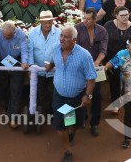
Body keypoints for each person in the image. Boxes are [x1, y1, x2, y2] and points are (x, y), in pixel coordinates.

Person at [44, 25, 96, 162]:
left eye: (66, 37)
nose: (62, 39)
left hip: (77, 97)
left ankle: (71, 132)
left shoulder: (84, 55)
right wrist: (50, 66)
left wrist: (88, 96)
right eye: (61, 36)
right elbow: (54, 60)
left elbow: (91, 77)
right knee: (60, 126)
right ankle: (68, 151)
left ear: (74, 40)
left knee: (76, 123)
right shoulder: (56, 48)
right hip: (59, 96)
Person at [75, 8, 107, 137]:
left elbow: (103, 50)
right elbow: (74, 48)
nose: (85, 21)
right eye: (84, 18)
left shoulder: (102, 31)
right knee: (81, 93)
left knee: (97, 95)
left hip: (95, 67)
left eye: (88, 19)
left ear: (95, 19)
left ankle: (95, 124)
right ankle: (82, 118)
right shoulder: (77, 29)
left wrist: (97, 61)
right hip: (80, 67)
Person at [0, 21, 29, 128]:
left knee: (16, 90)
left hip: (16, 61)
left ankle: (13, 117)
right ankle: (7, 107)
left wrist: (25, 62)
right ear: (2, 31)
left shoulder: (20, 34)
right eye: (5, 36)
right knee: (2, 87)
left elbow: (25, 49)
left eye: (10, 36)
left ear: (14, 32)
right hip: (2, 60)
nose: (7, 38)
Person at [28, 11, 61, 116]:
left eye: (50, 22)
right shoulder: (32, 34)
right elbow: (30, 52)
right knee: (41, 93)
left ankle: (52, 113)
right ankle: (47, 114)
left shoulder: (59, 33)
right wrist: (31, 67)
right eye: (45, 22)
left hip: (54, 71)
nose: (48, 25)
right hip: (38, 71)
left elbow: (61, 51)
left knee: (53, 93)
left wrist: (53, 63)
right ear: (40, 22)